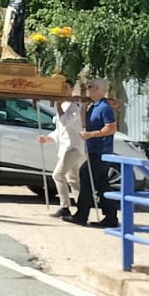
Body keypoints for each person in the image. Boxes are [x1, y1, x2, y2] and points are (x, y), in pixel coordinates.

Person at [70, 77, 119, 226]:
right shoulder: (93, 106)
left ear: (100, 90)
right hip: (93, 150)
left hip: (101, 152)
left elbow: (111, 128)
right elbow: (86, 124)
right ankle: (111, 218)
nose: (89, 89)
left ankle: (81, 215)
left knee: (85, 177)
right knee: (102, 185)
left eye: (92, 87)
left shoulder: (104, 107)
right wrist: (84, 108)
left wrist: (92, 135)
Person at [43, 90, 87, 218]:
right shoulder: (63, 105)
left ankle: (65, 207)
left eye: (65, 87)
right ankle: (82, 209)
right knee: (73, 180)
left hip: (74, 146)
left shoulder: (76, 106)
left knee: (57, 175)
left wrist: (57, 105)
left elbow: (65, 122)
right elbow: (60, 130)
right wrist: (48, 138)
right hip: (65, 146)